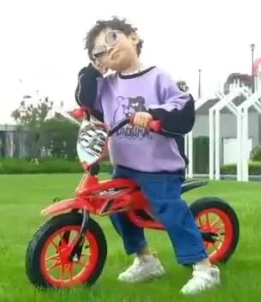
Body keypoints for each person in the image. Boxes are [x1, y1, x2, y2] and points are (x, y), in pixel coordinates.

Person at [74, 17, 220, 295]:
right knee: (116, 209)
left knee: (170, 210)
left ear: (134, 37)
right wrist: (91, 72)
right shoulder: (106, 84)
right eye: (99, 51)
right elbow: (86, 97)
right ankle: (145, 259)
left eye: (112, 39)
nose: (108, 50)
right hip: (125, 166)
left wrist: (153, 114)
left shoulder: (158, 78)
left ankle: (205, 268)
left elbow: (182, 109)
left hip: (159, 167)